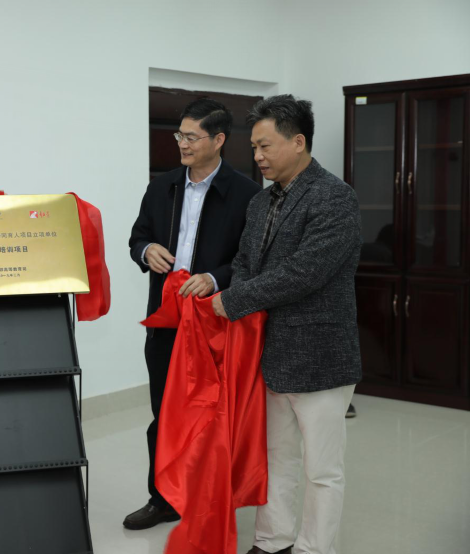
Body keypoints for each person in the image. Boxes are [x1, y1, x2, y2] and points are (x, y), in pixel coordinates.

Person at [213, 95, 362, 554]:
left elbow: (305, 273)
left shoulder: (334, 196)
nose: (257, 157)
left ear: (298, 142)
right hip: (270, 353)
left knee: (322, 469)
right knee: (276, 457)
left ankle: (314, 548)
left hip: (321, 356)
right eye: (254, 148)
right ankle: (271, 540)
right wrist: (238, 289)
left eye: (266, 146)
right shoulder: (261, 202)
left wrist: (234, 300)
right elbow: (244, 261)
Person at [126, 98, 261, 530]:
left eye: (191, 136)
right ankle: (162, 498)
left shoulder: (247, 194)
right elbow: (137, 237)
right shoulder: (162, 186)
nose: (182, 144)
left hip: (215, 323)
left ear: (218, 140)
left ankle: (208, 498)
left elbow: (251, 260)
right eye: (179, 135)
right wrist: (146, 250)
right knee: (163, 412)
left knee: (210, 416)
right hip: (166, 320)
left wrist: (216, 278)